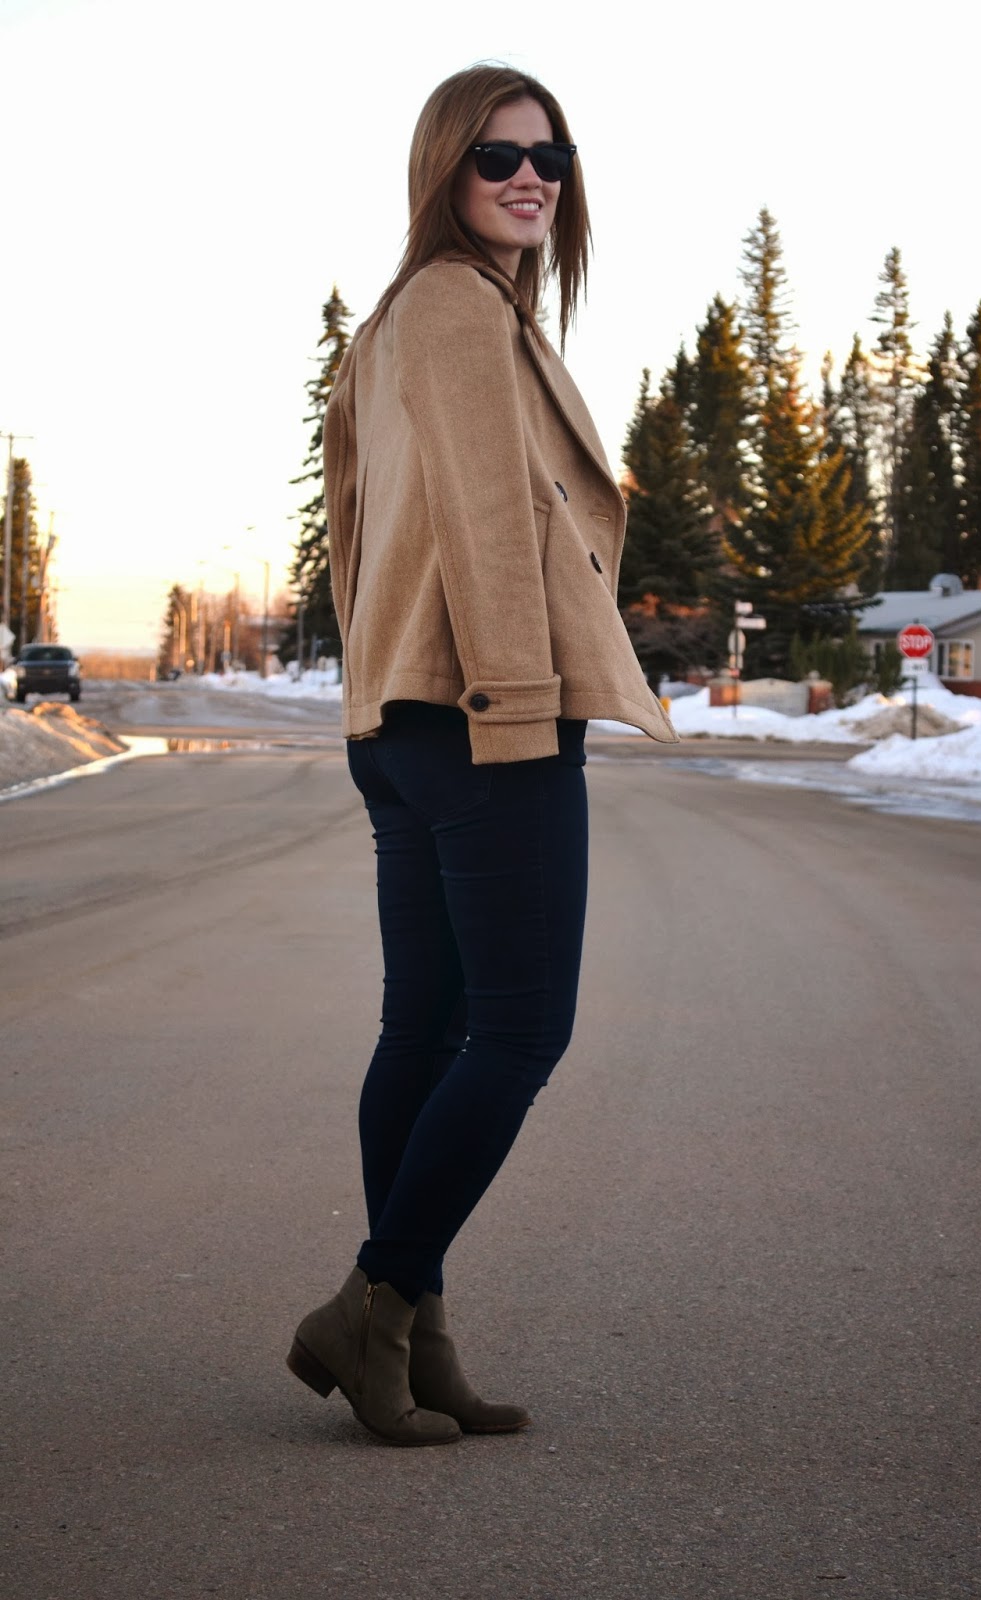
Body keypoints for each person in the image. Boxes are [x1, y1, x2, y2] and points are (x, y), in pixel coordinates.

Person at [287, 64, 677, 1447]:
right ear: (443, 168)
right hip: (480, 712)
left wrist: (365, 699)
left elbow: (356, 533)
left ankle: (413, 1344)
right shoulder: (456, 305)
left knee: (428, 1030)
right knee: (519, 1032)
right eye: (498, 155)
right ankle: (375, 1304)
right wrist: (516, 702)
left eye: (549, 157)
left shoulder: (400, 320)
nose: (528, 177)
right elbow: (483, 524)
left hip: (405, 716)